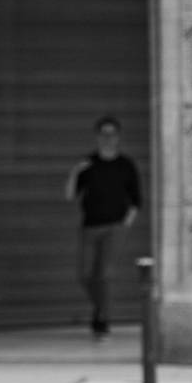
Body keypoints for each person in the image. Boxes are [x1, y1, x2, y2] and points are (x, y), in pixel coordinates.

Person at [65, 116, 142, 335]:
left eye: (112, 134)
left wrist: (125, 225)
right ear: (97, 137)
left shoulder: (126, 165)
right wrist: (75, 172)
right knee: (85, 274)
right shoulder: (88, 164)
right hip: (89, 227)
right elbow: (70, 195)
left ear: (118, 138)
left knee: (105, 275)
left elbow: (136, 201)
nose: (108, 139)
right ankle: (100, 309)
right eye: (104, 134)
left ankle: (103, 320)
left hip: (114, 228)